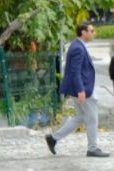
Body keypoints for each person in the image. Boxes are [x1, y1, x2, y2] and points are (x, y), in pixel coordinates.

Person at [45, 22, 109, 157]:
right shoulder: (78, 48)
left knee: (80, 117)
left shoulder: (78, 45)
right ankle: (92, 148)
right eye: (91, 30)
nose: (93, 33)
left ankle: (53, 138)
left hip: (80, 88)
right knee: (92, 119)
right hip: (83, 89)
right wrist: (81, 90)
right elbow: (75, 72)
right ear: (83, 32)